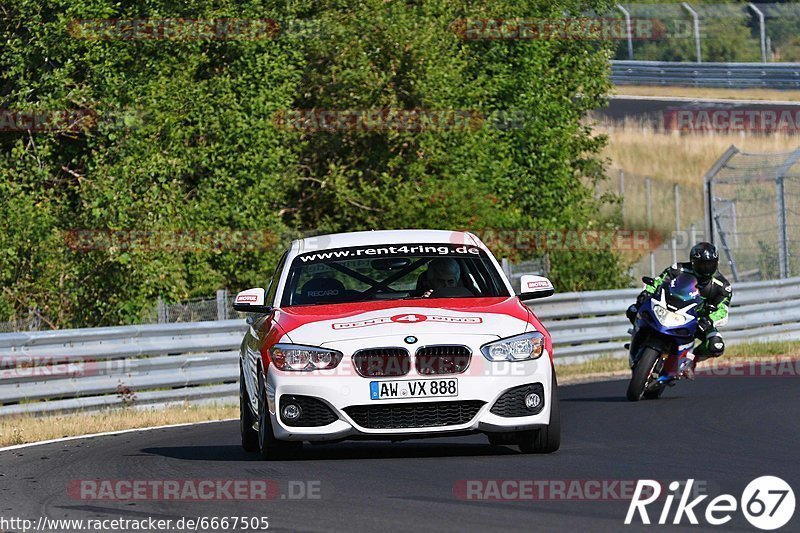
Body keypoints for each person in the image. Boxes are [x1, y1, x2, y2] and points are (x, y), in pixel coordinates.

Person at [626, 242, 732, 379]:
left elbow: (722, 309)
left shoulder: (722, 286)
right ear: (693, 262)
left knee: (716, 345)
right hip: (669, 306)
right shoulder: (679, 269)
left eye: (709, 264)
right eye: (701, 264)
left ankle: (692, 360)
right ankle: (637, 338)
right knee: (633, 309)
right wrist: (647, 292)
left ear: (716, 263)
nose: (705, 268)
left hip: (699, 319)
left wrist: (710, 319)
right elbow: (659, 281)